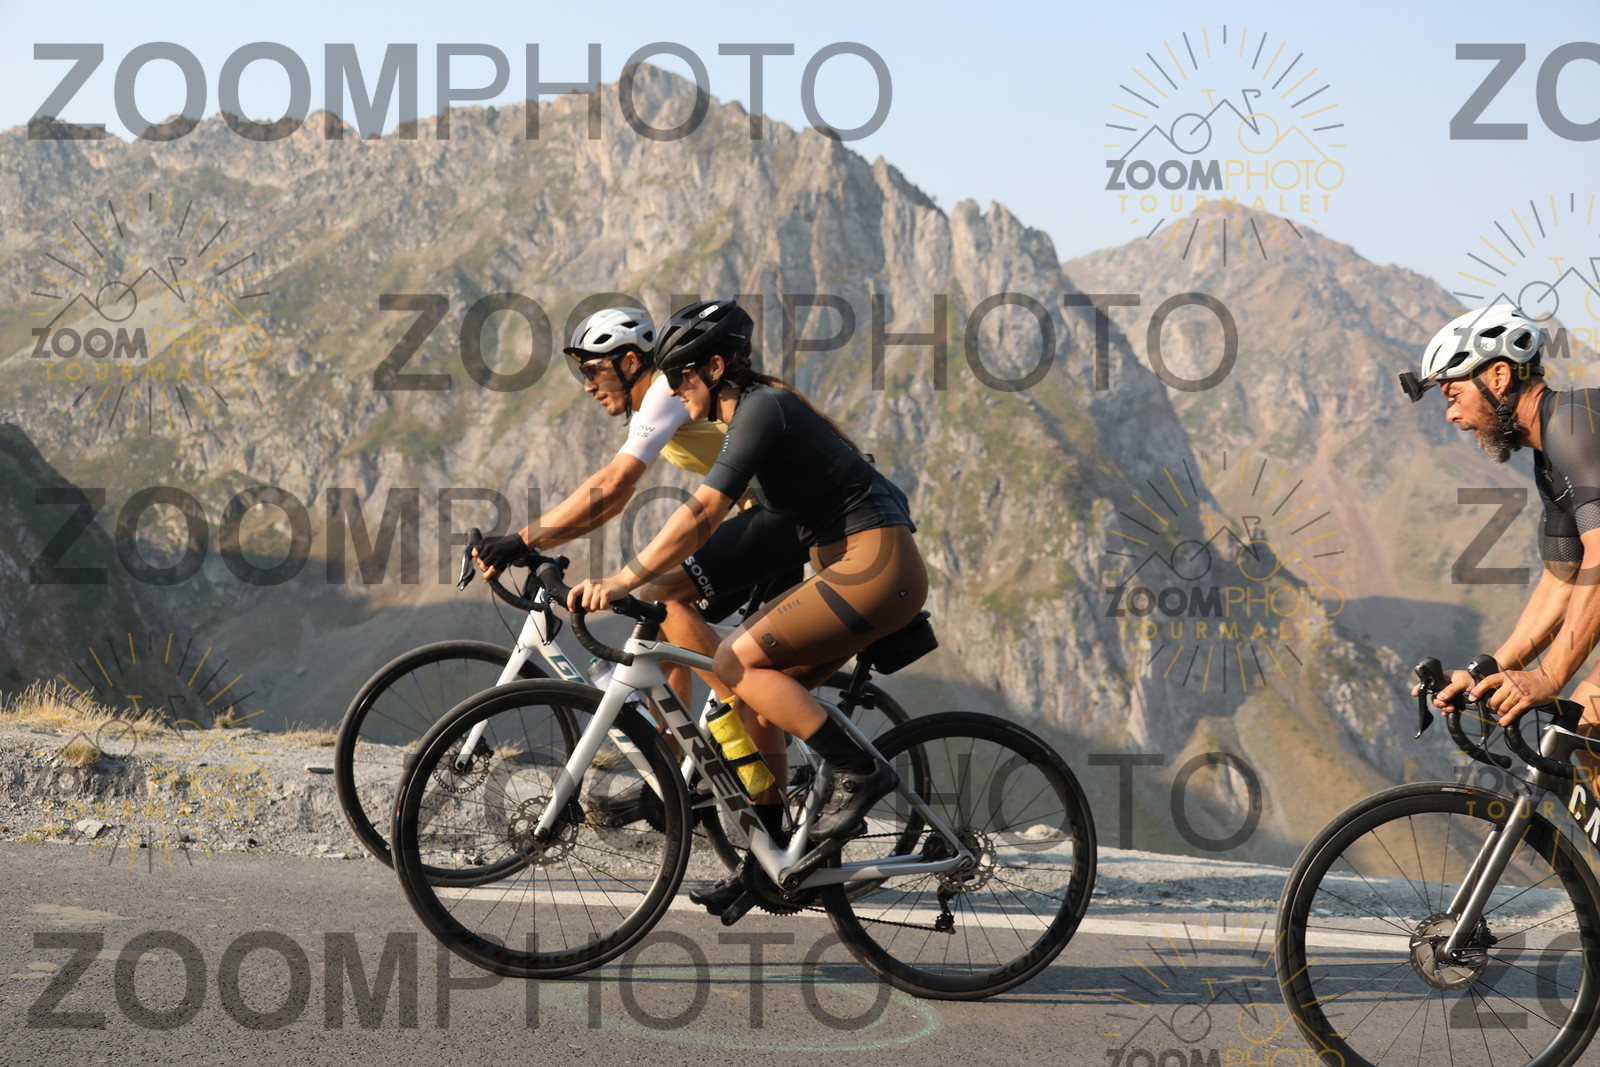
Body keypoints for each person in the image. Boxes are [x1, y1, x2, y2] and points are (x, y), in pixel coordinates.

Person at [565, 299, 928, 883]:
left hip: (875, 565)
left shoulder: (763, 408)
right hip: (856, 567)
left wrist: (624, 579)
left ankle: (863, 772)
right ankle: (772, 860)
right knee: (753, 699)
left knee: (733, 661)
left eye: (681, 377)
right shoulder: (747, 413)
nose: (672, 390)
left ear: (714, 369)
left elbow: (705, 511)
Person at [471, 306, 811, 821]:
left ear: (630, 361)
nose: (588, 386)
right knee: (661, 629)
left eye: (593, 370)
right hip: (767, 520)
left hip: (781, 519)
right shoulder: (663, 400)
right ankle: (671, 776)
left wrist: (522, 538)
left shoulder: (665, 391)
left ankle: (738, 713)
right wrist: (530, 538)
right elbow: (615, 496)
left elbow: (613, 487)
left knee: (658, 593)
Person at [1402, 303, 1600, 779]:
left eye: (1453, 395)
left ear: (1498, 376)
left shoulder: (1573, 428)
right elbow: (1562, 582)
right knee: (1588, 734)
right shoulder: (1550, 458)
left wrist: (1549, 675)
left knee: (1590, 724)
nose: (1451, 414)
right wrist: (1483, 673)